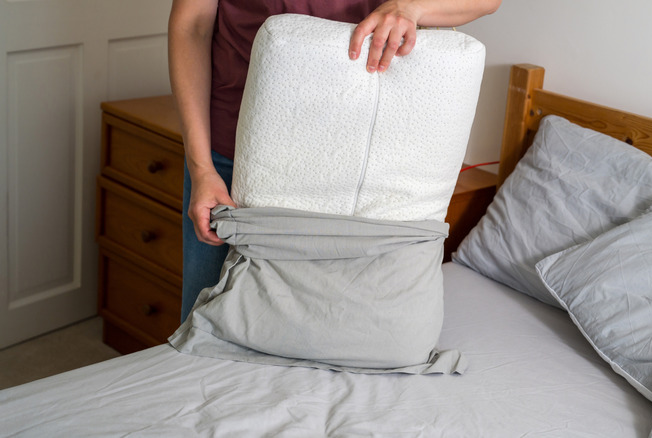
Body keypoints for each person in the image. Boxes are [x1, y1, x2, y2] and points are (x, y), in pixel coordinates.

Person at [169, 0, 502, 321]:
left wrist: (410, 7)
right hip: (233, 158)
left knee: (334, 334)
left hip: (358, 163)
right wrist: (201, 169)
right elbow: (192, 26)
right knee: (206, 321)